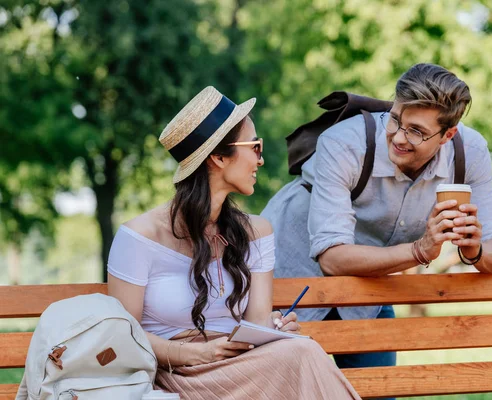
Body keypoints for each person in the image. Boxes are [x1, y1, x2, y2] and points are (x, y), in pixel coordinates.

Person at [261, 63, 492, 398]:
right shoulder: (345, 143)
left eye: (416, 131)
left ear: (448, 135)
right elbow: (332, 258)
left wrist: (476, 250)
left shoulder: (469, 152)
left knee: (381, 393)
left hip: (369, 292)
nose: (398, 137)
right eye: (395, 119)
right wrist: (418, 251)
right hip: (290, 280)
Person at [107, 86, 360, 400]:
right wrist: (197, 354)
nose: (261, 159)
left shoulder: (256, 232)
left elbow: (256, 321)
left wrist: (273, 328)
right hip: (175, 374)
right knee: (302, 355)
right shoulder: (139, 237)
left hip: (242, 368)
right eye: (254, 146)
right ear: (218, 157)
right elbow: (122, 337)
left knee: (299, 350)